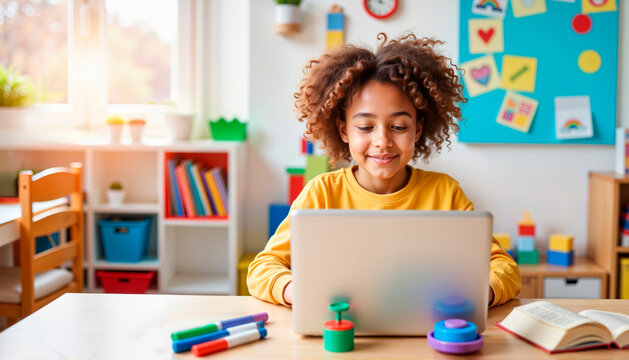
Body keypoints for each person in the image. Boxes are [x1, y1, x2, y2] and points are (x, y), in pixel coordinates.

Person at [247, 33, 521, 307]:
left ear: (418, 129)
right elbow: (263, 268)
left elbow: (504, 268)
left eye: (399, 127)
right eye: (366, 127)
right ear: (343, 130)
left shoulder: (445, 193)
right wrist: (297, 291)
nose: (382, 141)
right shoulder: (322, 194)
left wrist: (480, 292)